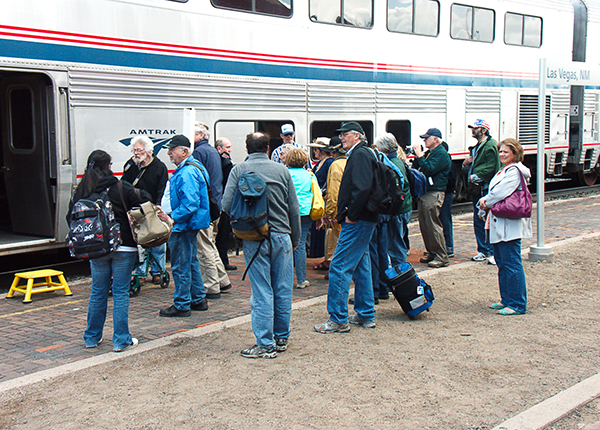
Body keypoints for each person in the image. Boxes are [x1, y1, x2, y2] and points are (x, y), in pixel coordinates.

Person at [222, 132, 301, 359]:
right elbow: (293, 209)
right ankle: (282, 336)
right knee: (283, 287)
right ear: (268, 149)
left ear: (247, 149)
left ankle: (264, 343)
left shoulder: (239, 170)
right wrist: (294, 239)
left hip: (253, 239)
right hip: (282, 236)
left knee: (262, 290)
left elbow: (226, 205)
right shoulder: (282, 171)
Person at [68, 150, 148, 352]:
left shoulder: (82, 190)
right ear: (108, 166)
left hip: (96, 248)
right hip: (124, 246)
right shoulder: (118, 186)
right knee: (120, 292)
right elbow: (143, 200)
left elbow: (70, 218)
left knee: (98, 292)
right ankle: (121, 340)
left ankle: (91, 337)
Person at [314, 121, 377, 334]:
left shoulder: (359, 155)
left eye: (345, 134)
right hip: (365, 218)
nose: (341, 138)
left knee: (339, 265)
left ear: (357, 136)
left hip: (357, 220)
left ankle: (339, 319)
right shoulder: (365, 153)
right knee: (361, 265)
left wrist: (351, 215)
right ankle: (366, 313)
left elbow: (361, 188)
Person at [477, 138, 532, 315]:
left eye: (506, 152)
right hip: (499, 222)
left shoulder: (515, 171)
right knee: (502, 262)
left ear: (515, 154)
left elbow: (499, 193)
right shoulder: (505, 170)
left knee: (511, 263)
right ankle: (506, 299)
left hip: (509, 224)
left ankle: (517, 304)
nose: (501, 154)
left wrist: (486, 202)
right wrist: (487, 200)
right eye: (500, 151)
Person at [159, 135, 209, 317]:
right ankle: (198, 298)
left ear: (184, 151)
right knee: (191, 261)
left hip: (183, 224)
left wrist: (172, 218)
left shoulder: (187, 172)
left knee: (180, 265)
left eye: (172, 150)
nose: (169, 153)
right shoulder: (194, 167)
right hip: (191, 223)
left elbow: (190, 204)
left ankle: (182, 304)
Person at [192, 122, 232, 299]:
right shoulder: (211, 151)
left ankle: (211, 285)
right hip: (215, 204)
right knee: (209, 244)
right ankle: (222, 279)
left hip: (206, 207)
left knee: (204, 247)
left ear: (200, 135)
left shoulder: (199, 152)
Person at [122, 136, 169, 284]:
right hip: (136, 209)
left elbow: (162, 188)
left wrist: (159, 205)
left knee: (158, 241)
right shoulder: (130, 165)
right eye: (134, 150)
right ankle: (140, 273)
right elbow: (123, 185)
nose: (135, 153)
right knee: (140, 241)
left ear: (148, 151)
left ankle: (157, 271)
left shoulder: (159, 167)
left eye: (139, 150)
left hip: (153, 208)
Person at [462, 119, 501, 264]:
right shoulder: (480, 146)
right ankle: (484, 250)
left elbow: (492, 166)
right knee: (479, 219)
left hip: (485, 189)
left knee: (485, 220)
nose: (473, 131)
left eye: (475, 128)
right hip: (479, 189)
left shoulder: (490, 145)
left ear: (484, 130)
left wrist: (474, 176)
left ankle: (489, 250)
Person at [412, 128, 452, 269]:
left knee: (433, 225)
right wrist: (419, 158)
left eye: (427, 138)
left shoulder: (441, 154)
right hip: (426, 192)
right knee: (425, 225)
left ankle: (442, 256)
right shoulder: (431, 153)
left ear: (436, 139)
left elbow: (428, 169)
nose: (424, 140)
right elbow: (421, 168)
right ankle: (432, 252)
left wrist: (420, 156)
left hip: (434, 192)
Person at [375, 133, 412, 266]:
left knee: (396, 244)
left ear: (383, 149)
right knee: (397, 241)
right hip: (404, 208)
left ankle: (400, 274)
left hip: (397, 211)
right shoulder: (398, 161)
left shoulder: (390, 164)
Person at [315, 137, 347, 275]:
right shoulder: (348, 162)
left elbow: (333, 192)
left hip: (336, 211)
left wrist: (329, 213)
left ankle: (334, 268)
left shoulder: (335, 166)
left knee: (334, 241)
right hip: (346, 208)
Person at [284, 147, 313, 289]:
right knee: (300, 245)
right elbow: (316, 193)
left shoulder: (285, 174)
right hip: (306, 212)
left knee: (286, 244)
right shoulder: (309, 175)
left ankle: (285, 279)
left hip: (288, 212)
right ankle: (301, 280)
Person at [306, 138, 333, 259]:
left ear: (322, 151)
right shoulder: (321, 162)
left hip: (323, 199)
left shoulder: (328, 162)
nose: (314, 152)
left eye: (316, 149)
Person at [214, 137, 237, 271]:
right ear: (219, 149)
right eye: (227, 147)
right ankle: (223, 261)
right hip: (223, 202)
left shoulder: (215, 161)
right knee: (223, 233)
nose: (230, 150)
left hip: (217, 201)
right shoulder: (226, 163)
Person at [440, 141, 458, 258]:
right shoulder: (450, 162)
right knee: (443, 220)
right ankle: (445, 247)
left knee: (445, 220)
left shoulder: (448, 163)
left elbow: (451, 181)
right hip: (446, 193)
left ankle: (449, 246)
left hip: (446, 194)